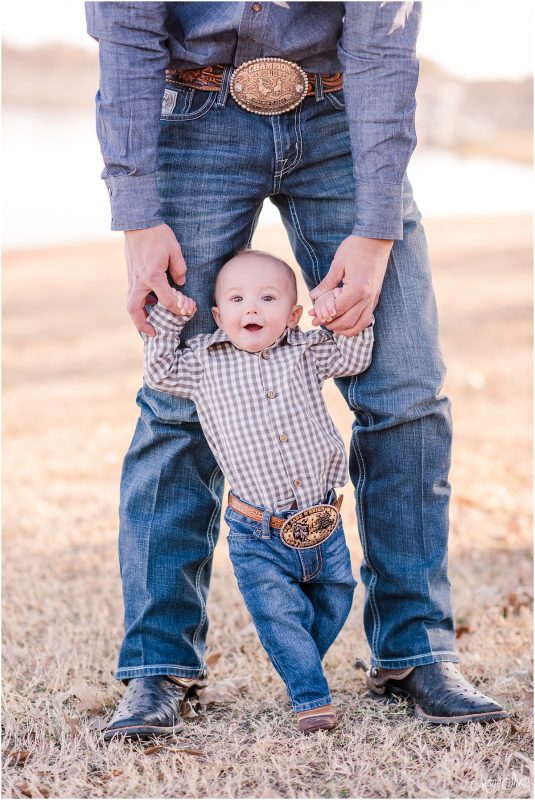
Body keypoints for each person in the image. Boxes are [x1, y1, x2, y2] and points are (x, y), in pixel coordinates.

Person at [86, 2, 508, 740]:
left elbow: (384, 41)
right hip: (193, 115)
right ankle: (159, 665)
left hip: (343, 115)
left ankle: (415, 650)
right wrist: (136, 211)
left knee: (405, 392)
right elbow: (125, 30)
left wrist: (375, 230)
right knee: (177, 406)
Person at [136, 248, 373, 737]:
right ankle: (311, 697)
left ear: (292, 315)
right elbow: (158, 371)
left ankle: (295, 655)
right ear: (219, 315)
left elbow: (355, 354)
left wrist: (337, 308)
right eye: (238, 299)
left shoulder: (305, 351)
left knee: (338, 596)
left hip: (322, 520)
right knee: (278, 614)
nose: (252, 309)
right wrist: (170, 316)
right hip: (257, 530)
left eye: (267, 298)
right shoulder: (203, 362)